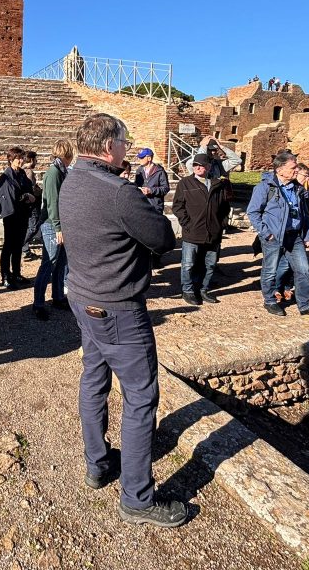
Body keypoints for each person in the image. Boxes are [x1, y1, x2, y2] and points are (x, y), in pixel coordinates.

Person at [60, 113, 188, 528]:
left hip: (84, 296)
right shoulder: (119, 191)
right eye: (124, 142)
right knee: (140, 397)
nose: (127, 148)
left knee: (94, 378)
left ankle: (98, 464)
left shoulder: (71, 178)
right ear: (107, 146)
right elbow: (163, 239)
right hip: (118, 305)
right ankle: (137, 498)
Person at [246, 152, 309, 317]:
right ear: (280, 169)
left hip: (295, 236)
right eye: (293, 167)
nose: (296, 170)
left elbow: (304, 214)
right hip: (273, 237)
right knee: (270, 270)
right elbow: (253, 212)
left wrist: (307, 235)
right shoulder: (264, 187)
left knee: (304, 270)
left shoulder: (298, 188)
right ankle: (270, 301)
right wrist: (266, 233)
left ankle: (304, 305)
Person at [171, 153, 232, 305]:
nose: (198, 167)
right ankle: (188, 291)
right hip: (192, 231)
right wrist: (187, 223)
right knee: (188, 264)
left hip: (213, 232)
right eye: (195, 165)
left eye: (202, 165)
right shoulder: (185, 183)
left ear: (209, 167)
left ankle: (203, 289)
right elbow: (178, 206)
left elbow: (225, 207)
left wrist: (221, 224)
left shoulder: (218, 184)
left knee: (209, 264)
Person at [32, 140, 74, 320]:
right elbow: (53, 203)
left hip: (61, 224)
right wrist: (58, 227)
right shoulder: (54, 172)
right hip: (52, 224)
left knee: (61, 262)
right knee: (49, 263)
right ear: (66, 153)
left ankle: (58, 297)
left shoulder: (61, 171)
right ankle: (38, 304)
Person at [0, 146, 36, 288]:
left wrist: (29, 196)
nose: (20, 161)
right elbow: (5, 196)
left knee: (18, 246)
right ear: (11, 160)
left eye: (21, 158)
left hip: (22, 214)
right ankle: (5, 276)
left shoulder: (22, 174)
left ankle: (17, 273)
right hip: (11, 216)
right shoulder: (6, 176)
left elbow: (29, 190)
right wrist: (23, 197)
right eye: (18, 158)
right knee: (8, 246)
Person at [274, 162, 309, 303]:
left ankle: (293, 294)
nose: (307, 178)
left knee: (294, 265)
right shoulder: (282, 187)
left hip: (297, 230)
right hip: (280, 231)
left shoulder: (301, 189)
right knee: (281, 263)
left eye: (308, 176)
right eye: (305, 175)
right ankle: (276, 288)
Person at [22, 151, 44, 260]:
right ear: (31, 160)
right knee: (33, 227)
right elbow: (30, 189)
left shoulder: (22, 170)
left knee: (29, 226)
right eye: (35, 160)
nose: (36, 162)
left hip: (26, 203)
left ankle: (25, 250)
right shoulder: (29, 172)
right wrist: (39, 191)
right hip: (32, 203)